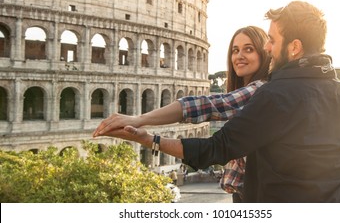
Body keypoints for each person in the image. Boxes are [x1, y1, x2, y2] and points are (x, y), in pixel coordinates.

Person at [94, 1, 340, 202]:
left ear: (295, 47)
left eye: (272, 40)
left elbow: (215, 147)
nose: (269, 47)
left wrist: (149, 138)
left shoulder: (273, 97)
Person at [94, 26, 271, 202]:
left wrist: (140, 119)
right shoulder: (255, 91)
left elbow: (209, 106)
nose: (239, 56)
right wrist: (147, 138)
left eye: (249, 49)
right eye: (235, 50)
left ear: (264, 53)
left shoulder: (260, 89)